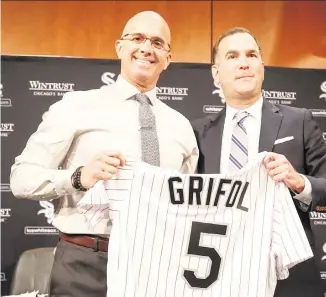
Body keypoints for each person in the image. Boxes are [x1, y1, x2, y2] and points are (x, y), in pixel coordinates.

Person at [10, 11, 198, 297]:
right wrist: (78, 177)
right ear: (119, 47)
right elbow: (21, 179)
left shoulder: (182, 127)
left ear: (168, 58)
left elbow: (185, 206)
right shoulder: (75, 106)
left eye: (158, 43)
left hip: (158, 268)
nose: (147, 48)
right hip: (86, 266)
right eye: (137, 38)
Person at [192, 27, 326, 297]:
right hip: (218, 277)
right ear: (216, 72)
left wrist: (300, 183)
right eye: (232, 56)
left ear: (261, 66)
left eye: (251, 55)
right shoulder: (195, 133)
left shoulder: (298, 121)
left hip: (287, 278)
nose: (244, 63)